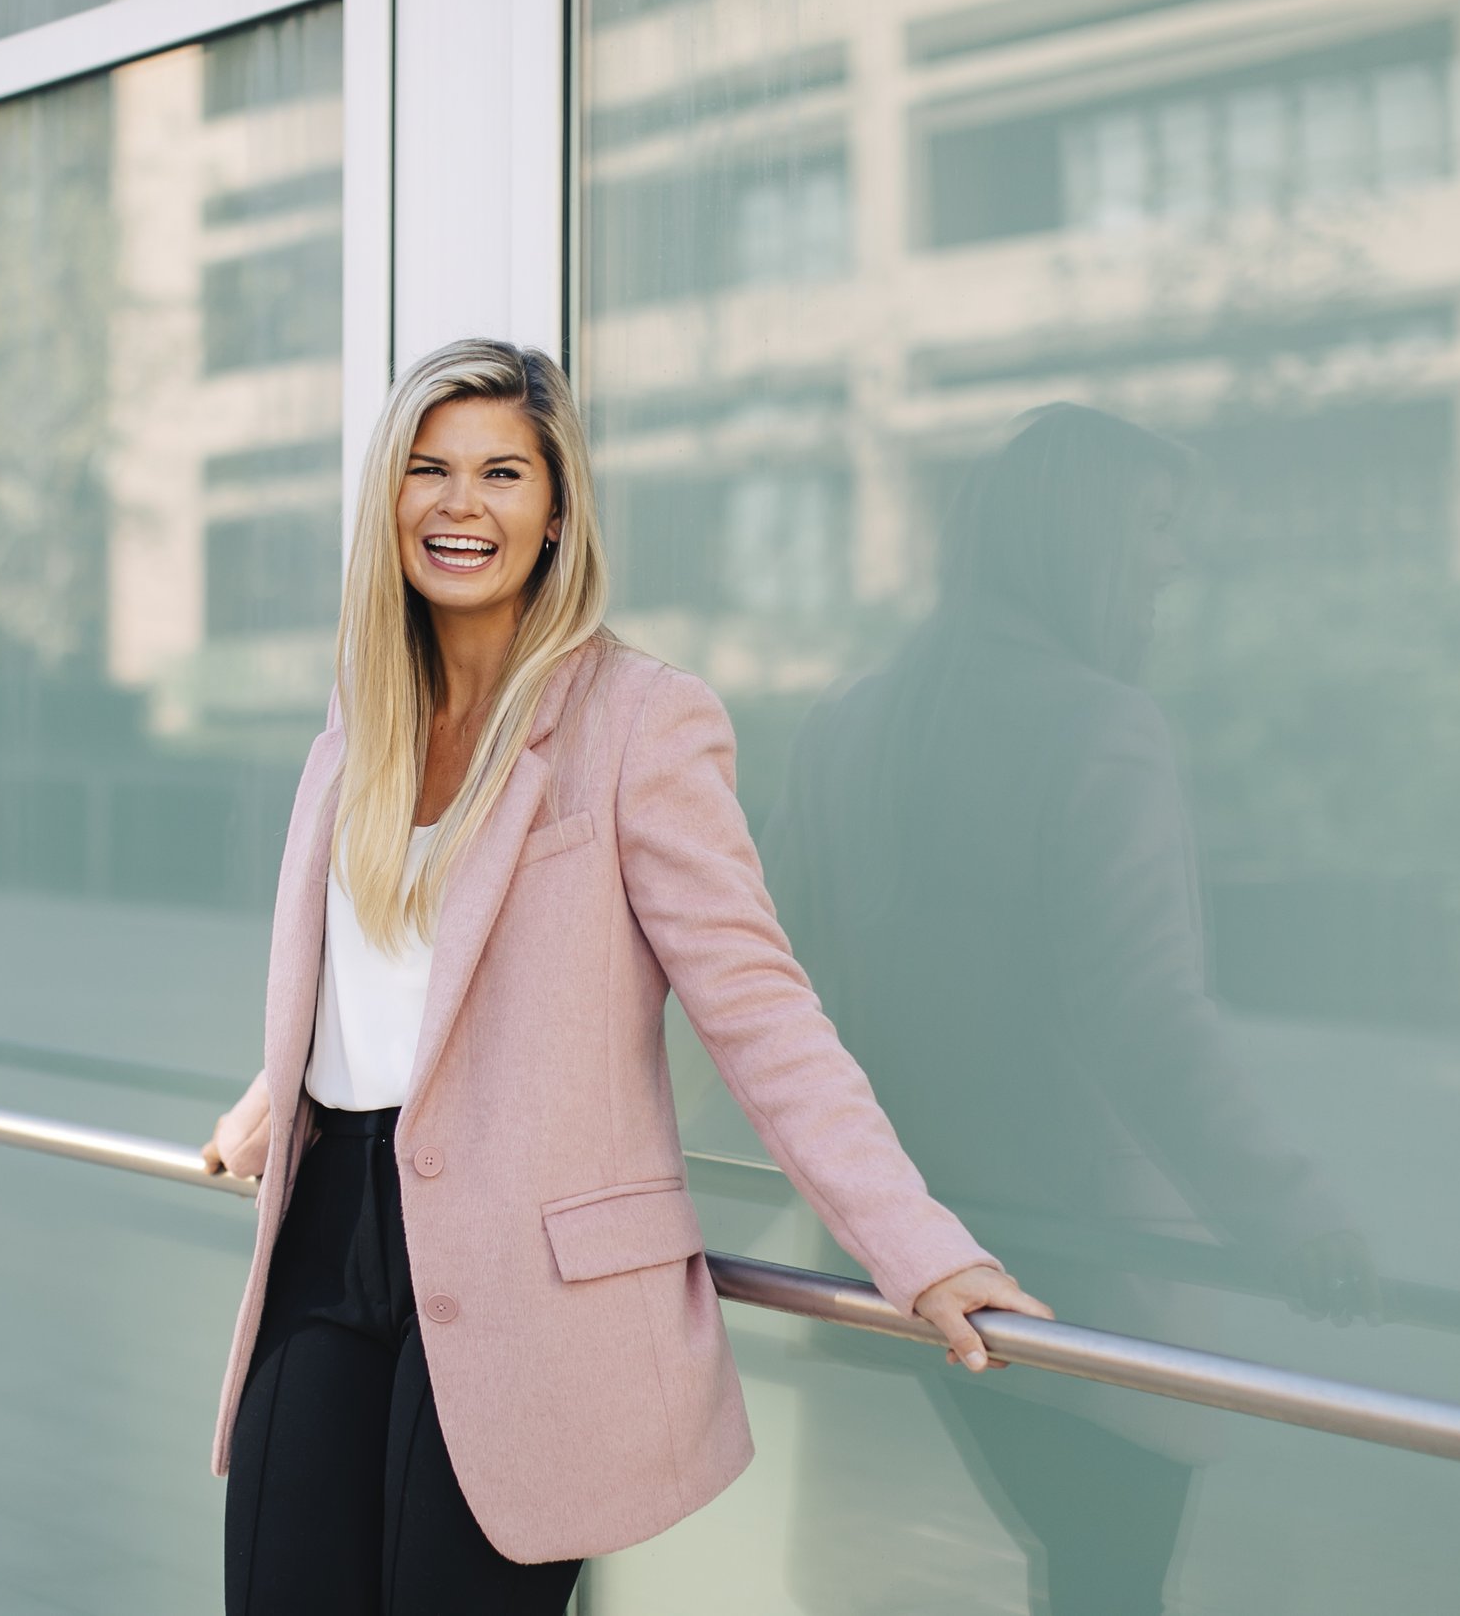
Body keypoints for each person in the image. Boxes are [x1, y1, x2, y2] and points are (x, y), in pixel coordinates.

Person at [199, 338, 1049, 1616]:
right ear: (389, 497)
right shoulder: (359, 715)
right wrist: (277, 1093)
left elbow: (758, 1008)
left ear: (554, 513)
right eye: (427, 469)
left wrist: (912, 1246)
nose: (459, 504)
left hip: (528, 1278)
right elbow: (383, 970)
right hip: (324, 1236)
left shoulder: (643, 719)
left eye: (501, 473)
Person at [765, 403, 1378, 1615]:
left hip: (907, 1266)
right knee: (1107, 1590)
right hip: (1084, 1286)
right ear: (1081, 538)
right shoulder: (1099, 727)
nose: (1173, 559)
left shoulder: (851, 724)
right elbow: (1150, 1020)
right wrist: (1295, 1210)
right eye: (1155, 525)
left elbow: (780, 988)